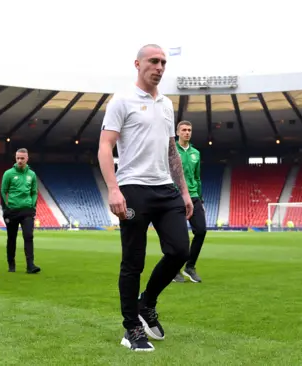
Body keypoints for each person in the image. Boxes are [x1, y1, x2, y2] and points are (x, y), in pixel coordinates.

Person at [98, 43, 194, 352]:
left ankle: (147, 303)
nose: (160, 67)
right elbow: (105, 146)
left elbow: (171, 151)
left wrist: (183, 191)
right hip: (133, 188)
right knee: (133, 262)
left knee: (180, 250)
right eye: (153, 61)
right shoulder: (122, 100)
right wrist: (113, 188)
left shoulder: (166, 104)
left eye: (163, 62)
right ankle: (131, 329)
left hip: (166, 189)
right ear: (137, 64)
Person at [172, 121, 207, 284]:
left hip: (194, 196)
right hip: (176, 196)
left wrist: (200, 198)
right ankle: (174, 270)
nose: (187, 132)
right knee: (179, 237)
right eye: (184, 130)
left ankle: (190, 266)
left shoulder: (196, 153)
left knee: (201, 231)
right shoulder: (171, 151)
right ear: (177, 132)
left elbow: (197, 177)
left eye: (189, 130)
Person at [0, 148, 41, 274]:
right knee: (11, 238)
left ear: (27, 159)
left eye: (22, 158)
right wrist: (6, 207)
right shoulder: (8, 174)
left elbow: (34, 192)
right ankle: (11, 264)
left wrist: (32, 205)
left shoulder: (32, 175)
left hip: (27, 211)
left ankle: (30, 265)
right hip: (12, 210)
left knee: (28, 236)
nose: (19, 160)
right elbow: (3, 191)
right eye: (17, 158)